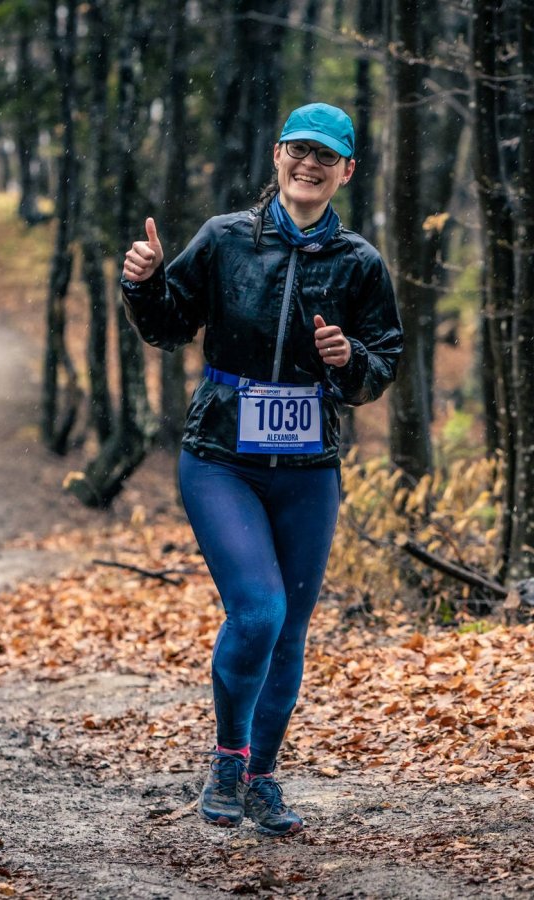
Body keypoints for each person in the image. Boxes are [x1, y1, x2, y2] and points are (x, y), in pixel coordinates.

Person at [121, 103, 403, 835]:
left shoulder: (360, 263)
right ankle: (227, 758)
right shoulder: (224, 240)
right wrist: (145, 283)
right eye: (297, 152)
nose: (309, 165)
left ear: (347, 171)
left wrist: (352, 362)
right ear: (276, 156)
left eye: (326, 156)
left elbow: (383, 366)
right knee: (259, 611)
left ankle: (264, 778)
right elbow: (168, 325)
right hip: (222, 459)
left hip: (308, 468)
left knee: (292, 630)